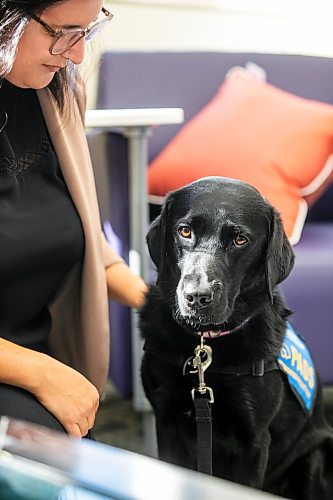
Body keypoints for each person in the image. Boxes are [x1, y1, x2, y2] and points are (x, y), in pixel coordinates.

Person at [0, 0, 148, 439]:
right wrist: (38, 372)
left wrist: (162, 306)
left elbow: (75, 228)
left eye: (87, 30)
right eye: (62, 31)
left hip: (39, 362)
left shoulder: (55, 92)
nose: (79, 54)